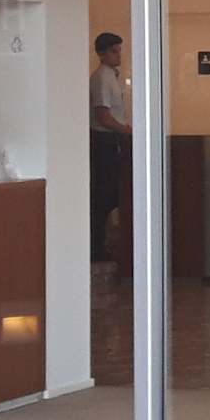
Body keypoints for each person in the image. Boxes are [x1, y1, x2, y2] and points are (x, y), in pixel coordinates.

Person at [90, 31, 131, 261]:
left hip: (113, 138)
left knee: (113, 192)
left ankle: (105, 242)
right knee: (105, 194)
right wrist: (125, 130)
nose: (119, 55)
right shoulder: (101, 78)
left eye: (119, 50)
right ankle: (97, 246)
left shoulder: (112, 77)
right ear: (102, 54)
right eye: (114, 51)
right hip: (104, 140)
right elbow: (103, 116)